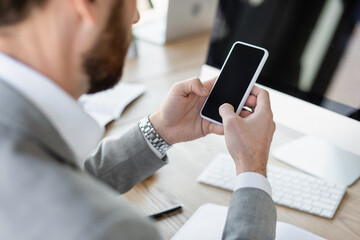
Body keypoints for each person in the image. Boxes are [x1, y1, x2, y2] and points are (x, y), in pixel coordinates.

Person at [0, 0, 276, 239]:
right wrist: (252, 166)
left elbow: (55, 191)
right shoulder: (104, 229)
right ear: (87, 5)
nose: (135, 17)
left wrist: (161, 130)